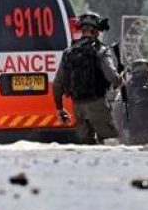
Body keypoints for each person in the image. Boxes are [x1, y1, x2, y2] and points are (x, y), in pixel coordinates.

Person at [52, 12, 122, 144]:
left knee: (86, 145)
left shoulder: (69, 52)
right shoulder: (101, 50)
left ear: (82, 30)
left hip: (78, 107)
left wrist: (60, 108)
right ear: (96, 31)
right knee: (111, 143)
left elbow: (57, 84)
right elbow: (112, 77)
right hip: (97, 104)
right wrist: (121, 79)